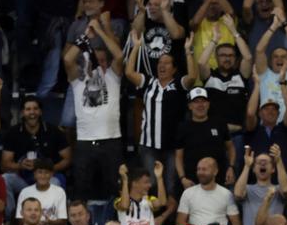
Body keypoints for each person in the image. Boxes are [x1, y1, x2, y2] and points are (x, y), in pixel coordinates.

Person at [126, 29, 197, 194]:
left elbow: (192, 77)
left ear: (174, 69)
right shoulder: (149, 82)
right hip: (149, 145)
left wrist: (188, 52)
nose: (162, 66)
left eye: (166, 63)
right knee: (151, 185)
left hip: (172, 146)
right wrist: (136, 47)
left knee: (170, 185)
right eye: (159, 63)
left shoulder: (179, 84)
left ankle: (170, 218)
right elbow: (129, 73)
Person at [63, 18, 124, 203]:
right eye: (96, 60)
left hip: (111, 141)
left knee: (115, 189)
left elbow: (119, 56)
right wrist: (85, 37)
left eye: (104, 60)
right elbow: (67, 58)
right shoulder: (77, 81)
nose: (100, 64)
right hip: (84, 142)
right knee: (82, 190)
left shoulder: (113, 78)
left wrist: (100, 31)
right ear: (87, 62)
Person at [0, 96, 70, 218]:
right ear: (22, 112)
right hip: (23, 179)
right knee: (5, 179)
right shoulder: (13, 133)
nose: (32, 112)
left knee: (55, 182)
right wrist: (20, 165)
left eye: (35, 109)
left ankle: (49, 221)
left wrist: (50, 169)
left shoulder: (54, 131)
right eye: (28, 109)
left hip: (48, 177)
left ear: (40, 111)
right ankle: (10, 219)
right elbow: (5, 163)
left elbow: (67, 158)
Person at [198, 13, 253, 159]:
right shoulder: (210, 77)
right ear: (216, 58)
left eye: (230, 55)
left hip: (237, 136)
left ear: (235, 58)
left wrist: (234, 32)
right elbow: (201, 63)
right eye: (223, 55)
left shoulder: (240, 77)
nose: (227, 58)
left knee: (234, 176)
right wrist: (214, 40)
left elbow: (248, 57)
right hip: (214, 135)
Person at [176, 157, 241, 225]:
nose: (200, 172)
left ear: (215, 171)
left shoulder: (226, 194)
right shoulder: (188, 193)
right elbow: (179, 222)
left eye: (204, 169)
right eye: (199, 169)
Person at [254, 7, 287, 134]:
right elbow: (259, 50)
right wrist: (274, 26)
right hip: (267, 131)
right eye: (275, 56)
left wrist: (284, 23)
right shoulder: (265, 75)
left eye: (283, 56)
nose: (279, 59)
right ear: (270, 61)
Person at [175, 87, 236, 187]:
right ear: (190, 106)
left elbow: (231, 148)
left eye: (203, 101)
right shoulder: (183, 127)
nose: (200, 105)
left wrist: (231, 167)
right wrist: (182, 178)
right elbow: (178, 157)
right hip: (192, 182)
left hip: (219, 181)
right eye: (196, 102)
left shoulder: (219, 123)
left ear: (208, 104)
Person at [234, 145, 287, 225]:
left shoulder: (278, 189)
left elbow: (286, 189)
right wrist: (247, 166)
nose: (263, 164)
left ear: (273, 169)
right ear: (254, 169)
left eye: (266, 162)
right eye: (259, 163)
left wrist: (278, 161)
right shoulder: (247, 189)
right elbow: (238, 193)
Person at [244, 65, 287, 173]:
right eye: (266, 109)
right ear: (260, 113)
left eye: (274, 109)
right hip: (257, 180)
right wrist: (257, 84)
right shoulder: (254, 130)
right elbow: (250, 113)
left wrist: (282, 83)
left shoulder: (283, 129)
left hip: (281, 179)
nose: (270, 111)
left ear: (278, 114)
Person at [131, 0, 188, 78]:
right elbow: (135, 34)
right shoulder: (146, 18)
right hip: (147, 77)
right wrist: (141, 11)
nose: (151, 7)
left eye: (156, 5)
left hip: (171, 79)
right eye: (150, 4)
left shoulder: (177, 16)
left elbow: (176, 34)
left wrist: (164, 11)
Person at [15, 159, 67, 225]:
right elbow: (19, 219)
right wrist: (34, 223)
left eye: (46, 172)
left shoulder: (59, 192)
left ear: (51, 174)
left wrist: (49, 222)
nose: (43, 176)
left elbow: (62, 221)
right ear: (34, 174)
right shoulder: (25, 192)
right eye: (40, 172)